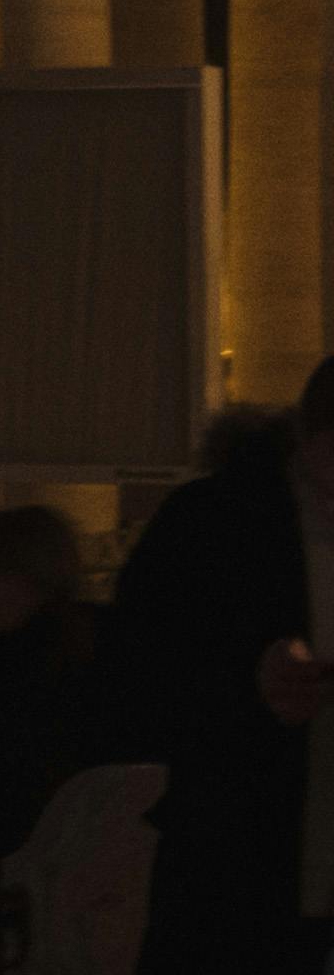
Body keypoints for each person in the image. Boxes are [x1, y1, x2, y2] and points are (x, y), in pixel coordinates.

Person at [106, 358, 334, 975]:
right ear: (315, 445)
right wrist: (246, 682)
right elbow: (128, 679)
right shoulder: (214, 525)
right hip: (238, 874)